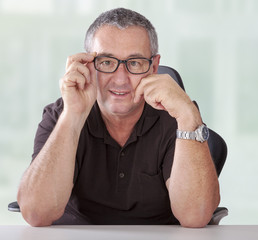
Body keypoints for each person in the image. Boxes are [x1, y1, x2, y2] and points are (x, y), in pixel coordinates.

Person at [17, 8, 220, 227]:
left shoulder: (176, 117)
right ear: (87, 64)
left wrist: (189, 116)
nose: (121, 80)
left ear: (153, 66)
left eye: (134, 63)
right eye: (106, 62)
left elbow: (196, 217)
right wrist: (72, 116)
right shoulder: (61, 113)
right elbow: (36, 213)